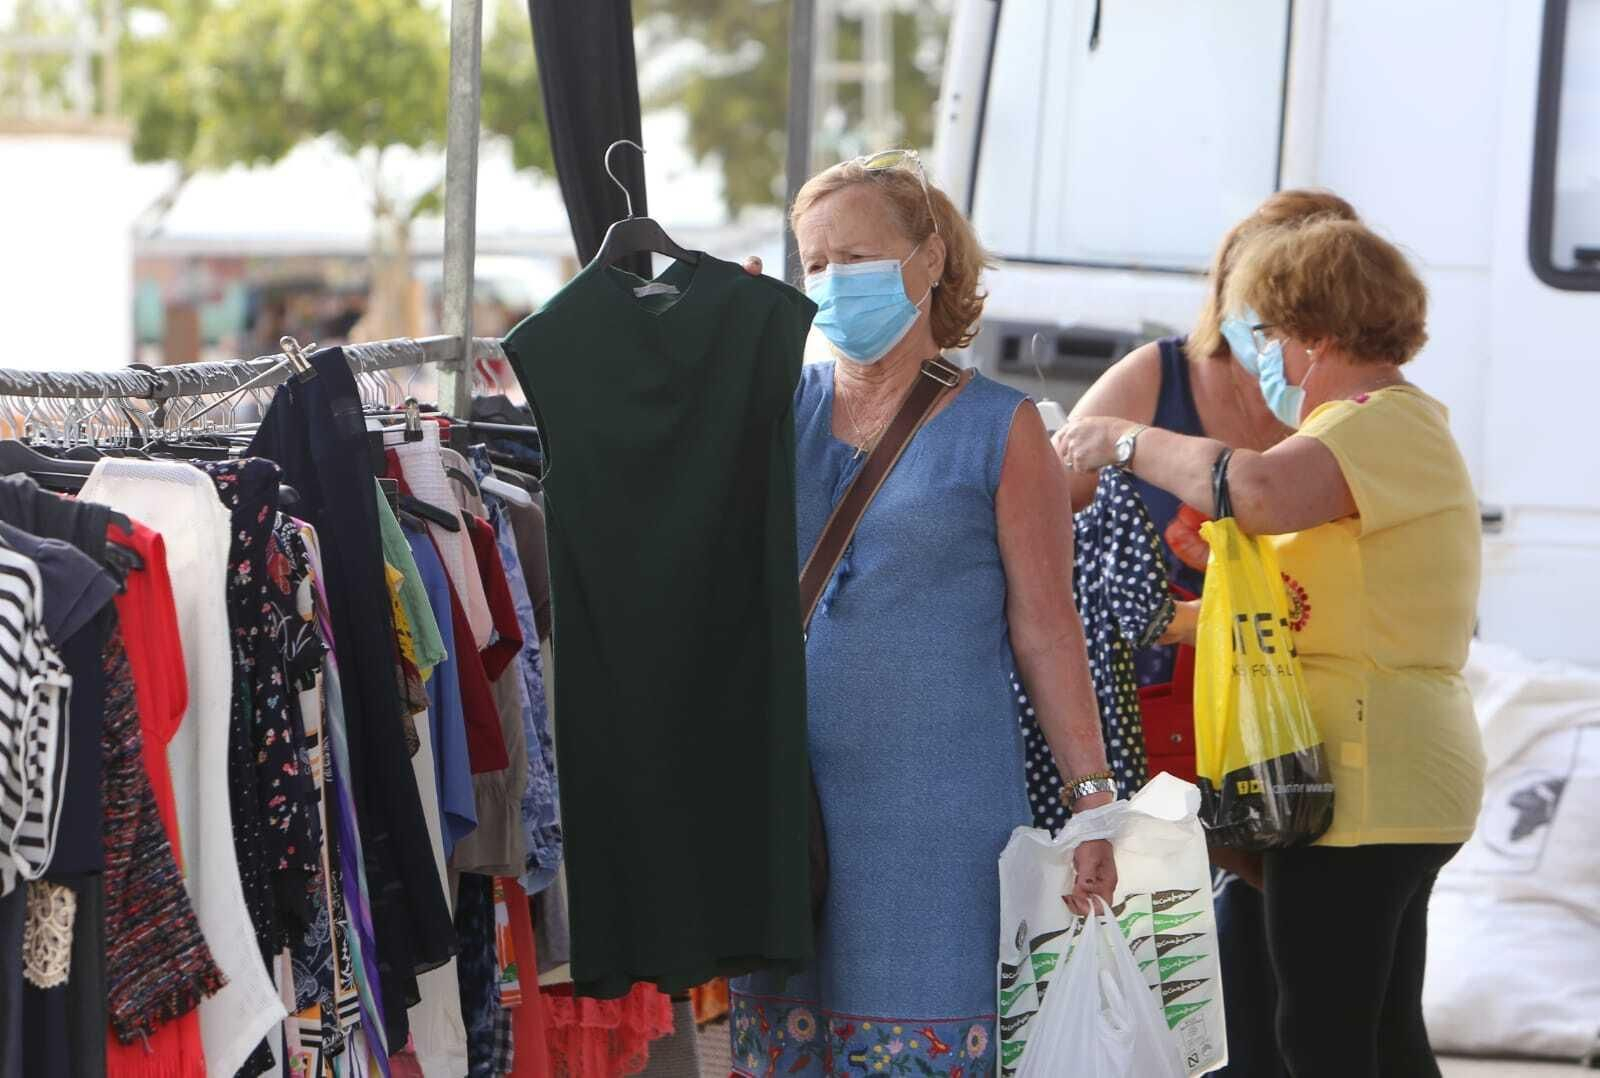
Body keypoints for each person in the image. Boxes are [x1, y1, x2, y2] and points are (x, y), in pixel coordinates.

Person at [1059, 216, 1486, 1077]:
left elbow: (1249, 492)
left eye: (1268, 336)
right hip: (1378, 781)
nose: (1263, 360)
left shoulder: (1375, 427)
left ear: (1315, 338)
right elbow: (1293, 607)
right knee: (1380, 1033)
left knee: (1321, 1037)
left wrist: (1123, 442)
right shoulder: (1369, 434)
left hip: (1367, 789)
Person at [730, 152, 1117, 1076]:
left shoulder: (1002, 426)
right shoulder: (774, 409)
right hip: (787, 806)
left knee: (922, 1042)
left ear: (930, 258)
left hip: (937, 817)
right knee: (788, 1044)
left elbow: (1047, 627)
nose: (830, 282)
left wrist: (1093, 800)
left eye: (854, 258)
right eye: (813, 264)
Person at [1058, 188, 1360, 1078]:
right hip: (1152, 705)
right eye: (1253, 289)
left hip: (1284, 713)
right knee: (1163, 930)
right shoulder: (1159, 375)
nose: (1265, 318)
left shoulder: (1338, 399)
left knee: (1281, 941)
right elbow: (1056, 489)